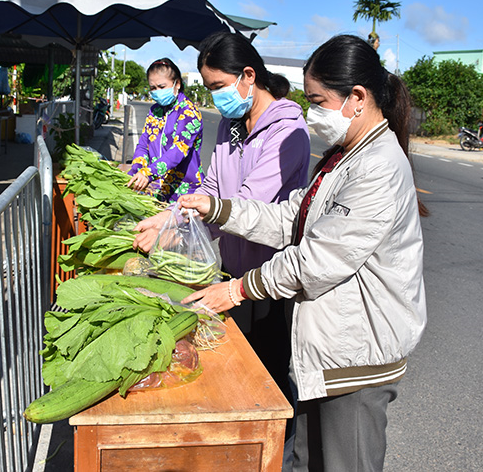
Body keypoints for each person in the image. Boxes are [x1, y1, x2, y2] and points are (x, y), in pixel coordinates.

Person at [177, 34, 427, 471]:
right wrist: (217, 207)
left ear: (357, 98)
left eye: (318, 100)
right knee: (307, 461)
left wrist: (238, 290)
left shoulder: (378, 167)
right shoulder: (342, 157)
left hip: (356, 357)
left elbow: (317, 258)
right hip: (328, 351)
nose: (312, 114)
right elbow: (289, 218)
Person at [133, 32, 311, 405]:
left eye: (218, 86)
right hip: (228, 266)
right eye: (209, 87)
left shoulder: (288, 132)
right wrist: (167, 220)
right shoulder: (231, 126)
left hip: (267, 279)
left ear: (248, 75)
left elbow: (248, 204)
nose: (215, 97)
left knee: (267, 378)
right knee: (232, 370)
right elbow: (210, 187)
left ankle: (276, 453)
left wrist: (176, 229)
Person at [127, 58, 203, 202]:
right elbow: (144, 144)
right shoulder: (154, 111)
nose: (157, 92)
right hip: (155, 189)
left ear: (177, 84)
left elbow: (178, 150)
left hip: (184, 191)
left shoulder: (188, 112)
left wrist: (149, 173)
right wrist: (136, 170)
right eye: (153, 88)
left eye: (162, 87)